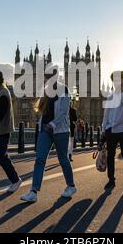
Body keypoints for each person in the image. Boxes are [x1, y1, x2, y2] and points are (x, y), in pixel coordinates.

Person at [21, 71, 76, 203]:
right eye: (45, 78)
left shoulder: (64, 90)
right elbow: (42, 109)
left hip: (60, 131)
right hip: (45, 130)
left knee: (63, 159)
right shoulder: (45, 91)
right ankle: (33, 191)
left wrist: (52, 123)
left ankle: (71, 186)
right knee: (40, 159)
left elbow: (63, 113)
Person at [100, 71, 123, 190]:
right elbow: (106, 115)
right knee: (111, 155)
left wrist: (121, 95)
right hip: (111, 130)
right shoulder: (110, 96)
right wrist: (104, 129)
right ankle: (111, 180)